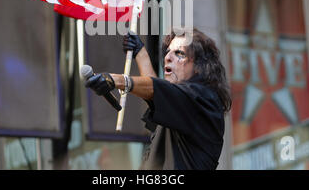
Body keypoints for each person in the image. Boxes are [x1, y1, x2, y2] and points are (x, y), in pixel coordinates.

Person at [85, 28, 231, 170]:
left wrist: (116, 80)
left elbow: (159, 90)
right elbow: (160, 95)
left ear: (200, 66)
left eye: (179, 53)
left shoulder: (205, 100)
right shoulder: (177, 107)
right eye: (168, 52)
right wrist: (140, 53)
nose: (167, 57)